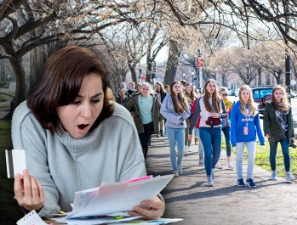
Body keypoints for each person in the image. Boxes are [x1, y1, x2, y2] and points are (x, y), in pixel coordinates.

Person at [11, 46, 164, 219]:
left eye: (96, 100)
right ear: (52, 98)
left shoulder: (120, 120)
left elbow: (135, 187)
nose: (88, 113)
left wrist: (150, 204)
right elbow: (44, 201)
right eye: (76, 101)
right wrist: (37, 205)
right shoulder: (28, 119)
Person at [188, 79, 227, 187]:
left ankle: (210, 168)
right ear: (205, 87)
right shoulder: (200, 100)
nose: (212, 88)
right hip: (204, 128)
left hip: (217, 128)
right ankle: (209, 176)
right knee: (208, 153)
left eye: (213, 86)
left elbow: (225, 114)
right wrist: (190, 130)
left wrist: (219, 115)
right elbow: (195, 116)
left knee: (217, 154)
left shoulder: (219, 99)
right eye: (210, 86)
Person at [231, 85, 265, 188]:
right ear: (240, 94)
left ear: (250, 94)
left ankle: (249, 178)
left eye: (247, 93)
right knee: (239, 158)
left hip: (251, 137)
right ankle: (239, 178)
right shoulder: (236, 107)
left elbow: (257, 124)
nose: (245, 95)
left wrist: (261, 138)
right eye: (243, 93)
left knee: (251, 158)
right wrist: (233, 139)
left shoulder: (254, 106)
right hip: (239, 137)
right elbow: (232, 124)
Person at [263, 85, 296, 182]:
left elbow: (291, 121)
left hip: (284, 133)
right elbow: (266, 120)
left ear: (283, 94)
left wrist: (292, 135)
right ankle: (273, 172)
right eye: (276, 93)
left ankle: (288, 173)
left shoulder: (287, 105)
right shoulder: (269, 105)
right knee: (273, 153)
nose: (278, 95)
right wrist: (266, 131)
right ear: (273, 94)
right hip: (273, 133)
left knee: (286, 152)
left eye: (280, 93)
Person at [160, 81, 191, 177]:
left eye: (179, 86)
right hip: (170, 126)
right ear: (171, 88)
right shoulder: (167, 98)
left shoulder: (183, 99)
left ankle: (179, 164)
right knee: (172, 148)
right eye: (175, 86)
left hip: (181, 126)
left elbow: (188, 112)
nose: (177, 88)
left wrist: (181, 118)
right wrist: (174, 118)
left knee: (181, 149)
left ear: (181, 88)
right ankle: (174, 168)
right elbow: (163, 110)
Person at [125, 82, 161, 158]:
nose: (144, 90)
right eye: (143, 88)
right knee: (141, 142)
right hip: (139, 124)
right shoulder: (135, 98)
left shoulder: (153, 99)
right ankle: (139, 159)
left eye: (146, 89)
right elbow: (126, 108)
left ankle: (143, 159)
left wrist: (159, 119)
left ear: (149, 90)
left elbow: (162, 109)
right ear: (140, 89)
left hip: (149, 124)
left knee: (145, 143)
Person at [216, 87, 234, 170]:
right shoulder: (215, 102)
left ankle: (229, 162)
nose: (224, 96)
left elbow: (231, 116)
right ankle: (217, 161)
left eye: (226, 94)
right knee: (218, 144)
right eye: (223, 94)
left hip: (227, 125)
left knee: (228, 143)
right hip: (218, 125)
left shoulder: (229, 103)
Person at [183, 83, 198, 153]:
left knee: (190, 130)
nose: (189, 89)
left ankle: (189, 146)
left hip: (193, 115)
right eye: (188, 87)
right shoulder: (183, 96)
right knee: (186, 129)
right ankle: (185, 146)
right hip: (186, 115)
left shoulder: (195, 96)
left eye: (190, 87)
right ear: (186, 88)